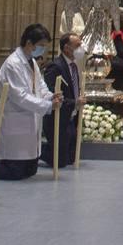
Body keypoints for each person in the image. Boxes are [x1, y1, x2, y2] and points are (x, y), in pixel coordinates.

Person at [0, 25, 63, 181]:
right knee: (14, 171)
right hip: (16, 119)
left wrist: (51, 97)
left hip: (31, 120)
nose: (43, 50)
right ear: (30, 43)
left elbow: (40, 87)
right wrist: (48, 106)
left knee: (30, 170)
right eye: (41, 45)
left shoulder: (31, 62)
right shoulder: (13, 64)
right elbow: (20, 96)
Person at [42, 32, 84, 169]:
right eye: (77, 46)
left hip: (70, 116)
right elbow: (52, 94)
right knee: (59, 161)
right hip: (57, 117)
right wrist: (74, 103)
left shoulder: (74, 65)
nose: (81, 49)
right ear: (66, 48)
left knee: (70, 158)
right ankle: (37, 150)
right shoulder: (55, 67)